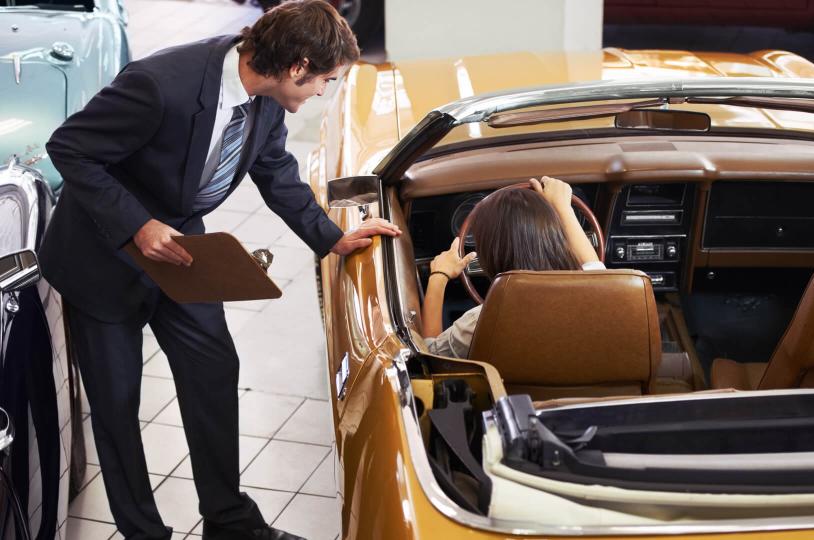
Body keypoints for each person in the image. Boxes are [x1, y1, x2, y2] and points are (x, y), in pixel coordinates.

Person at [40, 2, 399, 539]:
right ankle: (143, 532)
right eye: (324, 80)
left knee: (213, 370)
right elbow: (68, 148)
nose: (322, 91)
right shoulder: (162, 84)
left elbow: (276, 170)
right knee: (117, 407)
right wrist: (138, 226)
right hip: (103, 259)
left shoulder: (267, 98)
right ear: (298, 66)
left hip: (184, 253)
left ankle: (229, 521)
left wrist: (333, 238)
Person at [422, 176, 604, 359]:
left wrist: (438, 276)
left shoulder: (481, 322)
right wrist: (563, 208)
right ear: (558, 238)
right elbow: (596, 271)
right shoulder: (604, 299)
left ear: (488, 252)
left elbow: (431, 356)